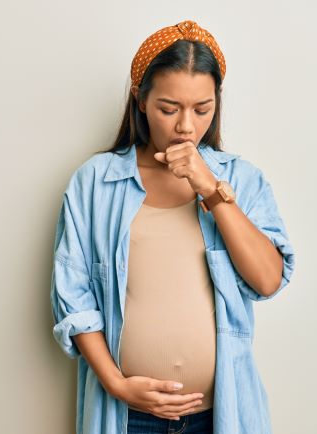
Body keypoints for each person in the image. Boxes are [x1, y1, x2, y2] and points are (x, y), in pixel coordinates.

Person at [50, 19, 296, 434]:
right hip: (126, 416)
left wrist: (211, 190)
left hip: (220, 416)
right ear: (140, 100)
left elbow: (269, 280)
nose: (186, 126)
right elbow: (73, 298)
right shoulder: (94, 182)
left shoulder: (243, 180)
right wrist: (117, 385)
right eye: (169, 108)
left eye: (202, 109)